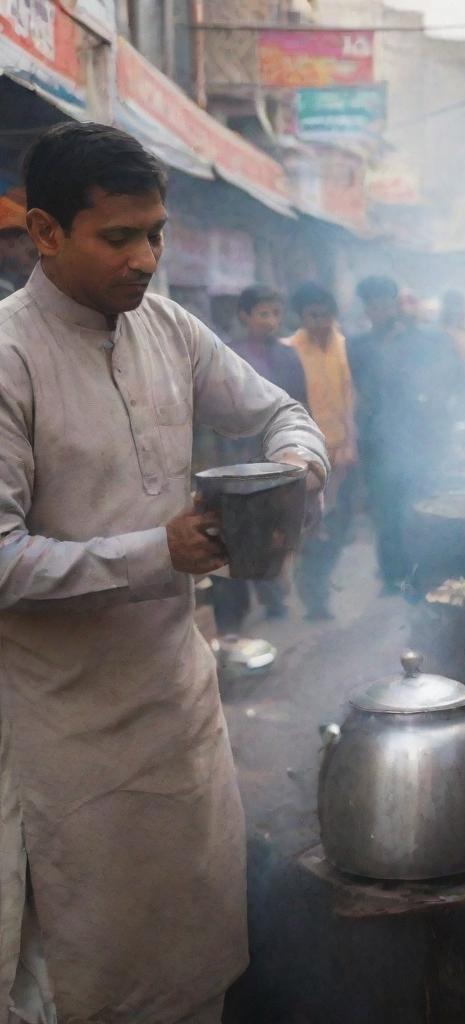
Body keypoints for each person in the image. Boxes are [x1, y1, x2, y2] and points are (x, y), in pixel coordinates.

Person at [0, 123, 328, 1023]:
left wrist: (299, 470)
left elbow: (280, 413)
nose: (145, 259)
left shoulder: (168, 327)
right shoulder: (9, 355)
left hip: (179, 707)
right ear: (45, 231)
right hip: (67, 736)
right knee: (90, 978)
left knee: (196, 957)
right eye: (119, 237)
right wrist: (157, 552)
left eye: (156, 235)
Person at [205, 284, 309, 629]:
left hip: (276, 454)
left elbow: (299, 408)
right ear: (244, 315)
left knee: (273, 527)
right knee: (236, 530)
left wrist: (300, 450)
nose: (271, 321)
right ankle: (237, 608)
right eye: (263, 314)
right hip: (236, 454)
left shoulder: (288, 356)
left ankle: (273, 594)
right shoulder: (228, 356)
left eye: (276, 314)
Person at [347, 275, 460, 590]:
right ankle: (391, 573)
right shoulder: (357, 346)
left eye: (384, 302)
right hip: (376, 440)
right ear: (366, 308)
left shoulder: (423, 340)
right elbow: (353, 390)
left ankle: (423, 567)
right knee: (385, 510)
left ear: (395, 304)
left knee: (420, 502)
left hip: (419, 436)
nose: (379, 309)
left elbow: (444, 379)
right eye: (372, 304)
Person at [287, 282, 358, 620]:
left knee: (335, 525)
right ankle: (314, 597)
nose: (321, 321)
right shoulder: (290, 350)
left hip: (341, 450)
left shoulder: (344, 346)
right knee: (311, 526)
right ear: (301, 316)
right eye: (313, 315)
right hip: (305, 452)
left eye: (326, 314)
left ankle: (321, 587)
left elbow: (350, 397)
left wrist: (350, 443)